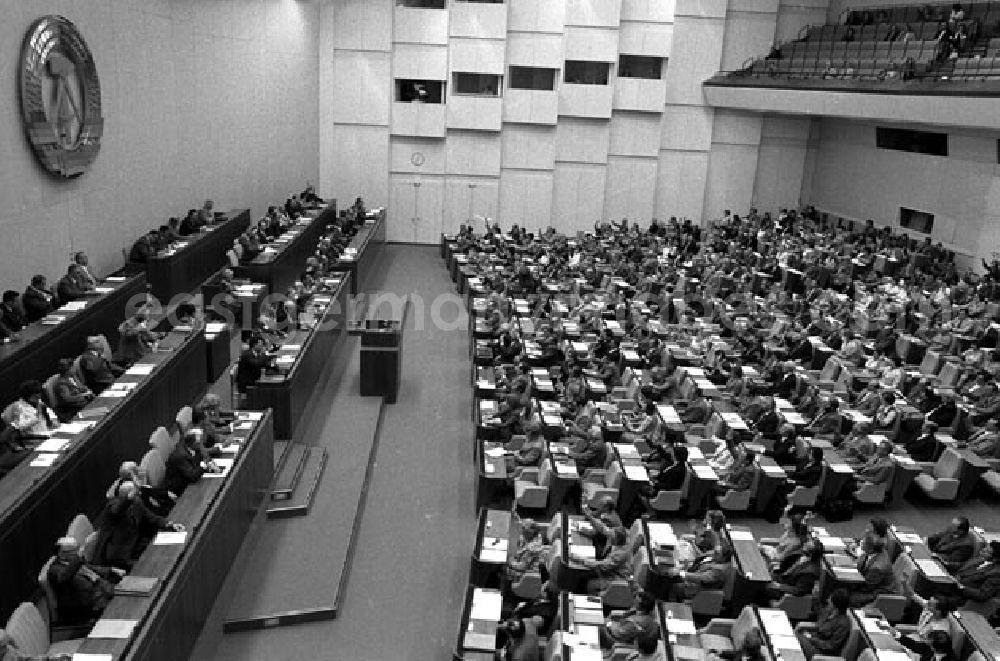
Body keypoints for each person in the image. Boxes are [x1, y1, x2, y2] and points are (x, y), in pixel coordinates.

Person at [94, 480, 184, 570]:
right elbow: (118, 509)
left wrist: (169, 524)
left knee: (162, 550)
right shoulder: (111, 508)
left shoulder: (137, 501)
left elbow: (150, 517)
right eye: (136, 493)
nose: (140, 493)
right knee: (149, 567)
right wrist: (128, 499)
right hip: (119, 555)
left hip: (135, 544)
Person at [47, 537, 122, 619]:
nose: (77, 553)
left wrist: (111, 569)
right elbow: (64, 578)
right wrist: (76, 560)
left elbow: (91, 567)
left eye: (77, 550)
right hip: (86, 605)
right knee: (121, 608)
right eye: (73, 551)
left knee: (125, 596)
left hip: (101, 591)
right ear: (61, 553)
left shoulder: (73, 562)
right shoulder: (55, 570)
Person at [797, 588, 851, 659]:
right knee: (794, 637)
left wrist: (811, 639)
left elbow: (830, 646)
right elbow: (819, 623)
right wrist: (815, 598)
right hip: (812, 641)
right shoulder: (829, 612)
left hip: (820, 652)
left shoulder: (843, 624)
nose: (827, 601)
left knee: (796, 639)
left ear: (835, 605)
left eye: (830, 601)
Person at [665, 545, 732, 600]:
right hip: (690, 575)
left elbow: (702, 577)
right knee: (668, 576)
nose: (713, 553)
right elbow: (701, 559)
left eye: (717, 553)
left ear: (724, 558)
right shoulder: (716, 558)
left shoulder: (720, 570)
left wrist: (681, 573)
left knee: (672, 586)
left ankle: (671, 605)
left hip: (695, 588)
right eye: (715, 551)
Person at [164, 430, 219, 496]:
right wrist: (205, 464)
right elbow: (193, 476)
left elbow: (203, 459)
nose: (202, 444)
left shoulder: (192, 447)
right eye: (200, 443)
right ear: (193, 444)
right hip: (180, 488)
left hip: (188, 480)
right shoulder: (181, 456)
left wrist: (208, 463)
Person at [954, 540, 1000, 606]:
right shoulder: (980, 559)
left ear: (995, 558)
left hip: (964, 598)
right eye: (985, 548)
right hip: (954, 584)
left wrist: (960, 587)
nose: (983, 550)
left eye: (987, 551)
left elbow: (982, 595)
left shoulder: (996, 573)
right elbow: (962, 567)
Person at [851, 539, 893, 606]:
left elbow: (866, 587)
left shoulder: (877, 568)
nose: (861, 542)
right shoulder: (875, 552)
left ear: (870, 549)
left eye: (864, 542)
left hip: (876, 592)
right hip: (868, 583)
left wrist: (847, 583)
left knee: (844, 596)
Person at [51, 357, 95, 422]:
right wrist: (84, 395)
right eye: (73, 367)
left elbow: (82, 387)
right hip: (75, 409)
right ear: (68, 370)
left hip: (85, 403)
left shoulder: (72, 377)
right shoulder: (61, 384)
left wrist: (87, 390)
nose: (75, 369)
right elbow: (68, 399)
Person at [0, 627, 72, 660]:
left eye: (6, 645)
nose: (6, 649)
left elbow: (28, 659)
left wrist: (53, 658)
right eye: (2, 647)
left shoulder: (9, 651)